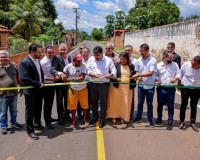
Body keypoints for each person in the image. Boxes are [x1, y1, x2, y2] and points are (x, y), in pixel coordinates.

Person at [19, 43, 46, 140]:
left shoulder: (37, 61)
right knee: (30, 112)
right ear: (32, 52)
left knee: (38, 109)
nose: (40, 54)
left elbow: (39, 74)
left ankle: (37, 124)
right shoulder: (24, 62)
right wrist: (38, 84)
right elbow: (25, 78)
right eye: (38, 52)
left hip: (39, 90)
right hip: (30, 91)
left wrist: (41, 83)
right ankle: (30, 131)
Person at [87, 46, 117, 128]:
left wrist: (110, 74)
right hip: (93, 84)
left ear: (102, 54)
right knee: (93, 102)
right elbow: (88, 71)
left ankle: (102, 119)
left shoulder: (108, 60)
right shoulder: (90, 59)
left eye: (98, 55)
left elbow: (114, 71)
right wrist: (94, 75)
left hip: (104, 84)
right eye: (95, 55)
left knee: (103, 103)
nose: (96, 57)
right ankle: (95, 116)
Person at [132, 44, 157, 127]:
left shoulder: (153, 60)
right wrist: (137, 75)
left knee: (149, 103)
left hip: (150, 86)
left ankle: (150, 119)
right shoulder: (138, 60)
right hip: (141, 86)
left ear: (147, 51)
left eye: (143, 51)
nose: (141, 52)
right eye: (140, 51)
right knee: (140, 102)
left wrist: (139, 75)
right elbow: (137, 71)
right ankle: (138, 117)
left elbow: (151, 73)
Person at [107, 52, 136, 123]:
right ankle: (114, 116)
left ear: (127, 59)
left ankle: (123, 116)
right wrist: (116, 78)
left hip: (127, 88)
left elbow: (134, 74)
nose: (122, 61)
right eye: (121, 59)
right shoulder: (116, 65)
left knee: (124, 102)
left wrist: (135, 77)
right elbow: (112, 74)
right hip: (116, 87)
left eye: (124, 59)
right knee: (115, 101)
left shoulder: (131, 66)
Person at [63, 53, 89, 128]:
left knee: (84, 105)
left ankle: (84, 119)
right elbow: (63, 74)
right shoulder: (68, 66)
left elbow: (82, 78)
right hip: (72, 88)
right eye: (78, 61)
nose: (80, 62)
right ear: (73, 60)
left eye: (80, 60)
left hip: (83, 88)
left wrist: (69, 79)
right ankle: (73, 120)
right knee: (72, 106)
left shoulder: (83, 66)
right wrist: (63, 77)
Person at [155, 50, 179, 130]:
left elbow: (178, 74)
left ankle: (170, 122)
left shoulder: (175, 65)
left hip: (171, 89)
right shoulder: (158, 65)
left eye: (172, 57)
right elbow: (155, 75)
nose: (172, 58)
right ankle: (159, 119)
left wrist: (175, 78)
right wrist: (157, 79)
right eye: (170, 57)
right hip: (161, 88)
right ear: (164, 57)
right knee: (160, 105)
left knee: (170, 105)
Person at [175, 56, 200, 132]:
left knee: (194, 106)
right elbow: (180, 74)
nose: (192, 65)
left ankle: (192, 122)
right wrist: (179, 84)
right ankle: (181, 121)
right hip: (185, 88)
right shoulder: (186, 65)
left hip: (196, 89)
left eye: (195, 64)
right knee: (183, 105)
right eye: (192, 62)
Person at [0, 50, 22, 135]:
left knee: (14, 110)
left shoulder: (14, 66)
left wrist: (21, 87)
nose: (3, 58)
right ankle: (3, 126)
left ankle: (13, 123)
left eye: (5, 57)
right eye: (1, 57)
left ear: (8, 57)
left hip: (13, 93)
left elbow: (18, 77)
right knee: (3, 112)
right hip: (2, 95)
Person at [51, 43, 72, 125]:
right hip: (59, 84)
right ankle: (60, 117)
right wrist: (60, 73)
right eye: (61, 50)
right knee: (59, 101)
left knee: (68, 100)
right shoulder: (56, 58)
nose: (63, 51)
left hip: (68, 83)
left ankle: (67, 115)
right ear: (58, 50)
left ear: (67, 50)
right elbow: (53, 70)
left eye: (64, 50)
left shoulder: (69, 57)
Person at [41, 44, 59, 129]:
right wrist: (52, 79)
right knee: (47, 104)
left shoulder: (54, 59)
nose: (51, 54)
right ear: (45, 53)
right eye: (49, 53)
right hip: (47, 85)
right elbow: (41, 76)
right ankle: (47, 122)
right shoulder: (43, 62)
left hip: (53, 84)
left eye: (52, 52)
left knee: (51, 102)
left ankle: (49, 117)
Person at [124, 45, 138, 120]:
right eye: (125, 50)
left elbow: (137, 72)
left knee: (131, 99)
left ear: (132, 52)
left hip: (131, 83)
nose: (127, 52)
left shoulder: (135, 61)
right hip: (122, 84)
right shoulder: (122, 59)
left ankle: (130, 114)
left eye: (128, 50)